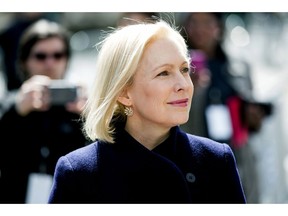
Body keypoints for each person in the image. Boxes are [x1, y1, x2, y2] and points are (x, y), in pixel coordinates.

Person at [48, 19, 246, 204]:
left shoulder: (216, 160)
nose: (183, 85)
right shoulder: (78, 172)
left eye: (184, 70)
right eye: (163, 73)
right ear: (124, 93)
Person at [179, 12, 272, 203]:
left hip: (238, 157)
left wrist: (252, 116)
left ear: (219, 26)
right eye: (194, 22)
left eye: (207, 22)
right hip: (196, 157)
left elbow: (247, 116)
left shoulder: (238, 66)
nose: (200, 28)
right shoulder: (177, 69)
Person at [0, 19, 88, 203]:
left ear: (67, 60)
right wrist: (15, 109)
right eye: (41, 56)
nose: (50, 63)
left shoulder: (80, 105)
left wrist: (93, 116)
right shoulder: (11, 103)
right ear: (24, 61)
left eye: (58, 55)